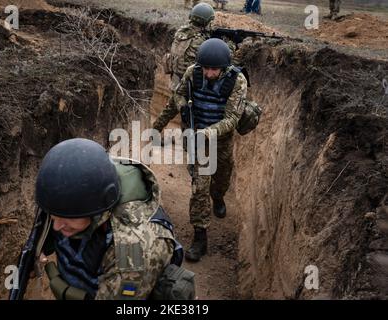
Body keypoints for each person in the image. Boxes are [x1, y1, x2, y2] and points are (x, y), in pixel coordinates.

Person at [33, 138, 194, 299]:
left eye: (67, 219)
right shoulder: (75, 191)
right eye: (54, 217)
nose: (56, 226)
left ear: (96, 209)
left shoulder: (133, 250)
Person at [173, 38, 247, 262]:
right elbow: (178, 94)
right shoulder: (192, 73)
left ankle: (219, 197)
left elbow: (233, 118)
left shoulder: (237, 81)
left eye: (214, 69)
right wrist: (182, 106)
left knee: (222, 179)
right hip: (198, 141)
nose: (208, 73)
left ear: (223, 68)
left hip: (221, 141)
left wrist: (208, 132)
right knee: (199, 188)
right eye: (205, 68)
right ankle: (200, 236)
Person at [154, 2, 215, 134]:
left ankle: (154, 132)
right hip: (189, 84)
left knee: (169, 110)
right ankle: (188, 141)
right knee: (187, 113)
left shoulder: (181, 32)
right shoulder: (202, 41)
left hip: (176, 79)